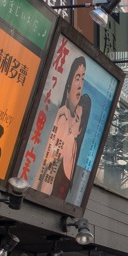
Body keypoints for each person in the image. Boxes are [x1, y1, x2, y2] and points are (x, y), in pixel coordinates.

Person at [36, 57, 87, 198]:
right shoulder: (62, 118)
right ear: (68, 86)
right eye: (77, 78)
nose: (80, 85)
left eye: (83, 79)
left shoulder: (74, 143)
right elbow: (46, 171)